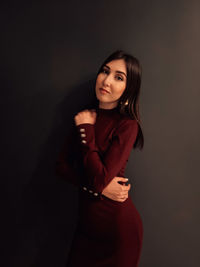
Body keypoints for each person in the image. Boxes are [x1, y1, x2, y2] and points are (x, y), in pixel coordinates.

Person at [56, 49, 144, 267]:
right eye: (105, 71)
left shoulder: (127, 125)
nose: (106, 80)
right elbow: (61, 167)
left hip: (118, 232)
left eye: (118, 77)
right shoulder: (85, 115)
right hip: (86, 228)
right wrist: (98, 187)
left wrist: (86, 131)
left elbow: (99, 178)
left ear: (128, 88)